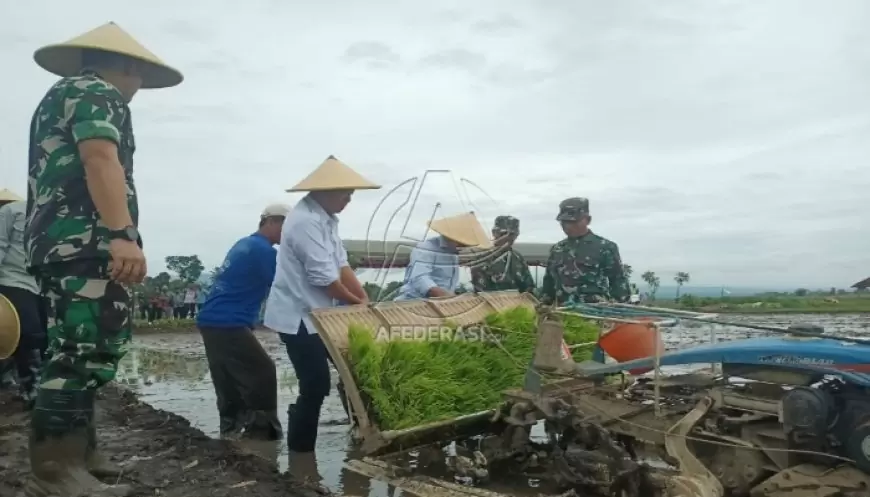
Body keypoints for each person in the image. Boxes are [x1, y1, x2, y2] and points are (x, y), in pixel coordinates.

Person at [24, 22, 182, 497]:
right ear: (129, 67)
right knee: (81, 351)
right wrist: (122, 235)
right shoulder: (97, 92)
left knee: (88, 346)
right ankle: (55, 470)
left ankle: (81, 453)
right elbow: (99, 158)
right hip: (82, 241)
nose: (138, 88)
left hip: (61, 242)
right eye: (140, 78)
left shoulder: (67, 92)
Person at [263, 155, 378, 453]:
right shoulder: (304, 222)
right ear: (325, 192)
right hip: (299, 316)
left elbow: (341, 265)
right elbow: (324, 279)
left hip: (324, 315)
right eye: (345, 194)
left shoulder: (327, 220)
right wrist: (356, 303)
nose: (349, 200)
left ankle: (364, 432)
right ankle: (301, 456)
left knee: (355, 372)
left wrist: (364, 300)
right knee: (314, 385)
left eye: (351, 194)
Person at [196, 203, 290, 440]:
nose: (288, 233)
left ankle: (231, 430)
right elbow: (282, 287)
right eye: (286, 226)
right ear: (271, 222)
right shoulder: (264, 251)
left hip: (213, 319)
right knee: (263, 371)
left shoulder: (245, 243)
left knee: (228, 378)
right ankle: (262, 432)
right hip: (228, 320)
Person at [0, 189, 47, 408]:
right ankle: (32, 388)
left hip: (38, 284)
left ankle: (34, 384)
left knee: (39, 336)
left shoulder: (48, 213)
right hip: (13, 281)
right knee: (27, 333)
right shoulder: (11, 212)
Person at [539, 198, 630, 306]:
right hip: (562, 311)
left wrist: (617, 308)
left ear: (588, 220)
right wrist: (543, 306)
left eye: (573, 222)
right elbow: (548, 285)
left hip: (594, 311)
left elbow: (618, 282)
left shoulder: (605, 247)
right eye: (564, 222)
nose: (568, 226)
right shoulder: (557, 250)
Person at [395, 212, 492, 300]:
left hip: (441, 303)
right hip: (414, 302)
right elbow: (419, 278)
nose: (465, 245)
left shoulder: (454, 252)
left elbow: (448, 284)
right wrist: (447, 297)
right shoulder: (426, 248)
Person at [469, 215, 535, 294]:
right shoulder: (482, 257)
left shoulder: (517, 257)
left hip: (517, 300)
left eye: (513, 235)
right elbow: (481, 290)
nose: (509, 238)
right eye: (505, 233)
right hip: (490, 300)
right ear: (494, 233)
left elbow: (528, 286)